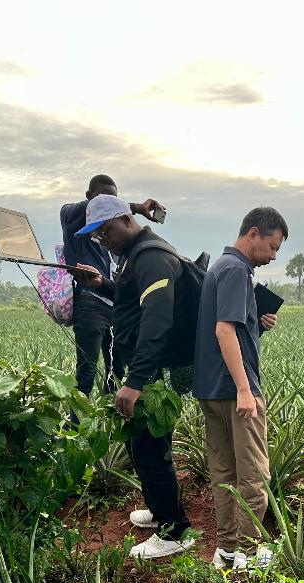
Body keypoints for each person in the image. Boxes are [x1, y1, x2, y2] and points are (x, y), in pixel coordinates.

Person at [70, 194, 197, 559]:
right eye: (96, 235)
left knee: (151, 446)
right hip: (145, 370)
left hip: (153, 374)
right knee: (140, 443)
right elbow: (133, 304)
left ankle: (176, 530)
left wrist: (136, 381)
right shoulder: (133, 257)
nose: (102, 239)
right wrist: (102, 285)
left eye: (105, 231)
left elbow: (157, 320)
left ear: (127, 220)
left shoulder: (152, 257)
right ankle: (160, 513)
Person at [193, 207, 287, 571]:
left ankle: (227, 549)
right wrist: (245, 390)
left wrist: (256, 323)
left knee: (223, 471)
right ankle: (248, 552)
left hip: (212, 388)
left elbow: (231, 327)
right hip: (235, 391)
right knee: (253, 472)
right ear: (253, 233)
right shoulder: (236, 270)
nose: (273, 256)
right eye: (273, 246)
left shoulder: (220, 267)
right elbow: (224, 331)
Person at [60, 175, 162, 397]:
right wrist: (134, 207)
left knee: (115, 371)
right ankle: (76, 430)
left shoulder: (117, 242)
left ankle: (109, 425)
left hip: (112, 299)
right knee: (86, 372)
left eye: (112, 200)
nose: (101, 238)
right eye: (100, 198)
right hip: (90, 302)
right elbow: (100, 209)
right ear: (88, 196)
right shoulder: (71, 214)